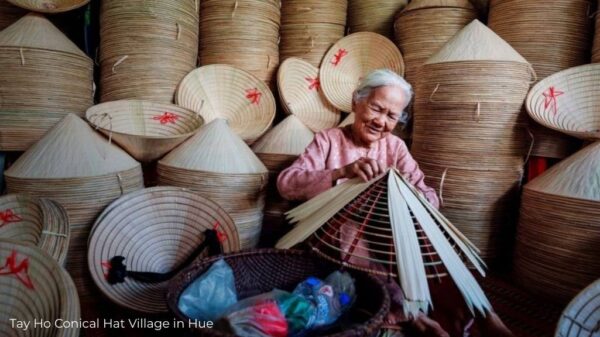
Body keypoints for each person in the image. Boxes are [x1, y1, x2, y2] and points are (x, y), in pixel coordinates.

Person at [277, 69, 514, 337]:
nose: (381, 121)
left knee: (431, 241)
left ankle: (479, 312)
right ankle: (410, 317)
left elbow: (430, 197)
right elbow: (286, 183)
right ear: (357, 102)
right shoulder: (328, 140)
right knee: (353, 236)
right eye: (376, 108)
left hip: (389, 230)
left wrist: (407, 193)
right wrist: (341, 173)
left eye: (392, 115)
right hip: (337, 233)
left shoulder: (396, 148)